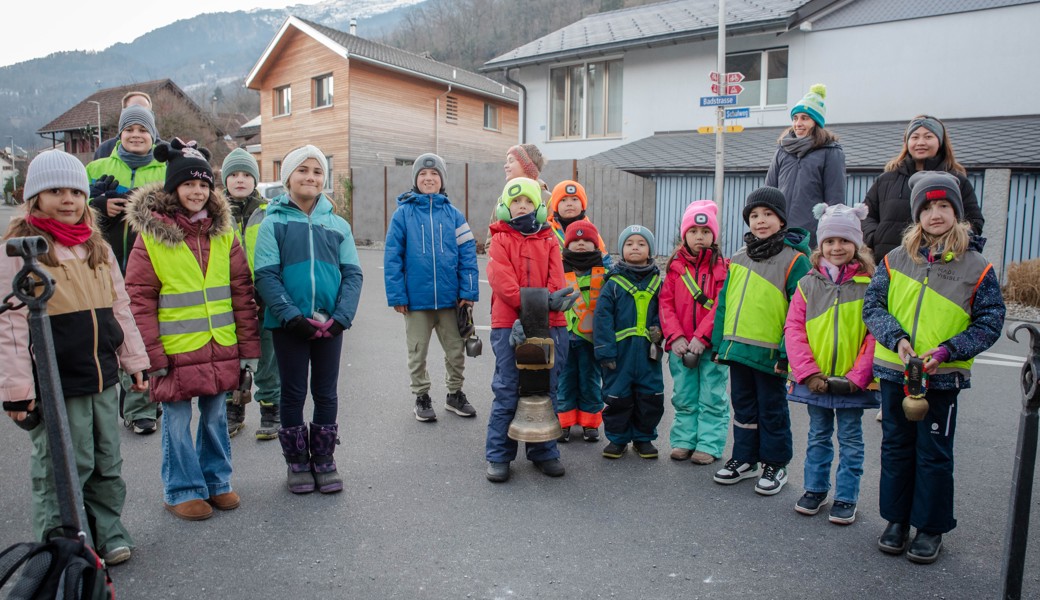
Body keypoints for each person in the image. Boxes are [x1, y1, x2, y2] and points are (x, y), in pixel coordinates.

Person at [0, 150, 149, 566]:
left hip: (102, 375)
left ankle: (109, 531)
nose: (67, 199)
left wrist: (134, 361)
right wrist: (16, 390)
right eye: (54, 191)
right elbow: (9, 328)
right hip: (57, 381)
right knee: (63, 466)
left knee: (106, 459)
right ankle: (62, 545)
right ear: (34, 199)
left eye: (75, 192)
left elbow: (120, 308)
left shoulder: (96, 248)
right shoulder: (21, 252)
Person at [863, 171, 1004, 565]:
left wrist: (947, 351)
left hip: (942, 378)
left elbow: (990, 321)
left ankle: (930, 527)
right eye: (927, 207)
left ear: (957, 213)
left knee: (934, 453)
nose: (935, 213)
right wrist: (897, 339)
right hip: (895, 372)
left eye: (944, 206)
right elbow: (873, 306)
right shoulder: (894, 260)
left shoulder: (977, 267)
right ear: (917, 214)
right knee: (895, 449)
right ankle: (896, 521)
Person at [125, 139, 261, 521]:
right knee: (178, 420)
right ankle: (181, 488)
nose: (197, 191)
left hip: (221, 345)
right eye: (188, 184)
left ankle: (217, 482)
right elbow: (139, 299)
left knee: (217, 417)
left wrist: (247, 347)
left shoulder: (224, 235)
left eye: (203, 184)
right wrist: (151, 355)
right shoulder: (152, 237)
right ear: (173, 188)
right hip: (174, 348)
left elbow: (241, 293)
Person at [253, 145, 363, 495]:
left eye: (317, 171)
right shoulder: (274, 222)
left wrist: (341, 318)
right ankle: (298, 463)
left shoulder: (338, 225)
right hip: (289, 326)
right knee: (294, 392)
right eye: (303, 170)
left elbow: (353, 275)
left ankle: (325, 459)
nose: (311, 177)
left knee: (326, 393)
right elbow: (266, 276)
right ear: (288, 177)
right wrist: (292, 317)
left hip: (330, 325)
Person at [711, 186, 811, 495]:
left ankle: (775, 463)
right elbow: (724, 303)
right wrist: (718, 343)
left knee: (771, 407)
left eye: (768, 214)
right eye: (754, 215)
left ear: (782, 220)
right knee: (743, 406)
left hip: (770, 353)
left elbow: (801, 311)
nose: (761, 221)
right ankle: (745, 457)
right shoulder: (739, 257)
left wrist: (787, 351)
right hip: (738, 347)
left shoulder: (795, 261)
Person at [785, 203, 879, 525]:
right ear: (820, 244)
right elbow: (794, 329)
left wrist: (857, 378)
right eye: (829, 241)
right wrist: (808, 373)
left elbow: (874, 336)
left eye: (844, 240)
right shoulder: (807, 284)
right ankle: (814, 489)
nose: (836, 247)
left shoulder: (870, 285)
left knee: (851, 438)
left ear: (856, 244)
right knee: (818, 435)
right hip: (818, 379)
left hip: (853, 383)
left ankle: (846, 497)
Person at [484, 177, 574, 483]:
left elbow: (557, 281)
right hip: (509, 323)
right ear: (505, 207)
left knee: (546, 390)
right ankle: (499, 454)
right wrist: (534, 307)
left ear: (538, 207)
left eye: (528, 202)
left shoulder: (550, 239)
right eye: (515, 202)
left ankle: (544, 451)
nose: (522, 206)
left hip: (552, 323)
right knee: (508, 389)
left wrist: (545, 305)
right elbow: (502, 281)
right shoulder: (498, 239)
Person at [87, 104, 166, 435]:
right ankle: (131, 402)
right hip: (103, 264)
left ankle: (142, 406)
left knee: (146, 333)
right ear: (120, 134)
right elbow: (74, 207)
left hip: (150, 266)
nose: (136, 135)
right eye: (129, 129)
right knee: (112, 335)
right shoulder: (96, 167)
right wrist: (98, 204)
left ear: (153, 135)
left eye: (143, 129)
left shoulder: (165, 169)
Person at [384, 153, 479, 422]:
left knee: (455, 351)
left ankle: (454, 394)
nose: (429, 178)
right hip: (416, 301)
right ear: (416, 179)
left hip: (451, 301)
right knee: (417, 352)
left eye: (434, 174)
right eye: (423, 174)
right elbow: (392, 257)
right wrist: (397, 295)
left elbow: (468, 255)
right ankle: (421, 397)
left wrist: (468, 292)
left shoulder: (454, 215)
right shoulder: (403, 214)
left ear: (442, 180)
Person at [659, 200, 730, 465]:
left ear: (714, 236)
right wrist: (675, 336)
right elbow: (665, 304)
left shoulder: (722, 268)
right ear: (684, 234)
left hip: (709, 347)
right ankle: (683, 441)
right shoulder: (675, 268)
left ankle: (709, 444)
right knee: (684, 395)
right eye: (693, 231)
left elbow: (721, 306)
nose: (699, 237)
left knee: (712, 396)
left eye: (705, 232)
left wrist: (702, 337)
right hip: (681, 347)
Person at [862, 115, 985, 261]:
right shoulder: (886, 180)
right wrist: (875, 238)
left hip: (937, 265)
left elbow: (974, 222)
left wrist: (949, 242)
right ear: (907, 142)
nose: (920, 142)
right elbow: (865, 215)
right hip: (888, 262)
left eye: (928, 137)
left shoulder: (956, 181)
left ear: (940, 142)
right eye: (914, 137)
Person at [221, 147, 281, 440]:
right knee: (231, 357)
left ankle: (271, 407)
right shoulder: (213, 214)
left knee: (268, 357)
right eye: (234, 174)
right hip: (228, 300)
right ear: (225, 180)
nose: (240, 180)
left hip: (264, 298)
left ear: (255, 179)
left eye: (246, 174)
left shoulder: (269, 212)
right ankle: (234, 409)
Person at [594, 225, 666, 460]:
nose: (635, 247)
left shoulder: (658, 283)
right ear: (622, 250)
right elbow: (602, 318)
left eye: (641, 244)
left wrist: (660, 331)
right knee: (617, 397)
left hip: (648, 355)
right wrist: (605, 352)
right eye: (629, 244)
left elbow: (666, 311)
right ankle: (617, 439)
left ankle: (643, 439)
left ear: (650, 250)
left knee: (650, 397)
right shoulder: (613, 284)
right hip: (619, 355)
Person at [765, 84, 846, 247]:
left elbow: (835, 200)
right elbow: (769, 192)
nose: (798, 123)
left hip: (810, 237)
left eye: (804, 118)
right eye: (795, 118)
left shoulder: (831, 152)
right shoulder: (782, 150)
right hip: (779, 233)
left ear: (816, 122)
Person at [556, 219, 607, 443]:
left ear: (596, 246)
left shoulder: (605, 271)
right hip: (563, 337)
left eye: (587, 240)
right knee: (564, 381)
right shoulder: (557, 269)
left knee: (590, 380)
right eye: (575, 240)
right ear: (566, 245)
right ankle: (564, 422)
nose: (581, 244)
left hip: (591, 339)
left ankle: (590, 423)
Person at [484, 144, 548, 253]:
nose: (505, 166)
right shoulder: (502, 201)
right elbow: (490, 243)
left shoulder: (548, 199)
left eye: (511, 161)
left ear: (527, 166)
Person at [546, 180, 611, 266]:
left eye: (574, 199)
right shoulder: (547, 230)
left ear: (582, 205)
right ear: (555, 206)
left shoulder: (591, 230)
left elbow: (605, 260)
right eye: (563, 200)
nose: (569, 204)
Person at [93, 91, 156, 160]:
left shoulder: (165, 153)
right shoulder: (105, 149)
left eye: (143, 130)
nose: (136, 135)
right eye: (132, 108)